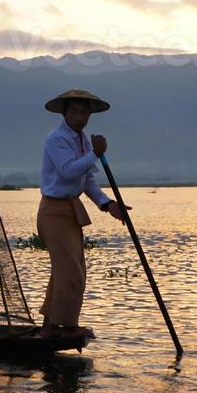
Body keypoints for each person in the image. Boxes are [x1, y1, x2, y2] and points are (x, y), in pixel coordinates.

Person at [36, 88, 131, 340]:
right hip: (54, 210)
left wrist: (107, 204)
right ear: (65, 113)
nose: (80, 117)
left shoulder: (83, 139)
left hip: (71, 208)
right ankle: (65, 327)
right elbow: (68, 172)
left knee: (68, 270)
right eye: (74, 112)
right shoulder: (56, 139)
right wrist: (95, 154)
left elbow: (87, 179)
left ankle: (50, 328)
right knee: (69, 272)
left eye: (84, 113)